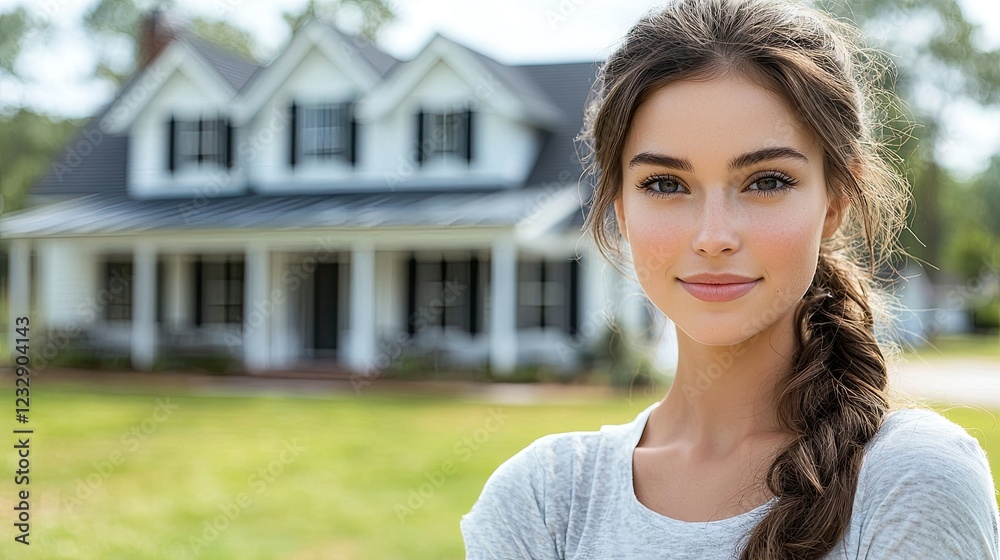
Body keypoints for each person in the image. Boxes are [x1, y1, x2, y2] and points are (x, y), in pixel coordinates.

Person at [460, 0, 1000, 558]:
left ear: (835, 199)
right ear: (620, 208)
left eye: (765, 180)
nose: (713, 236)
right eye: (666, 184)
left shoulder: (910, 481)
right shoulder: (541, 502)